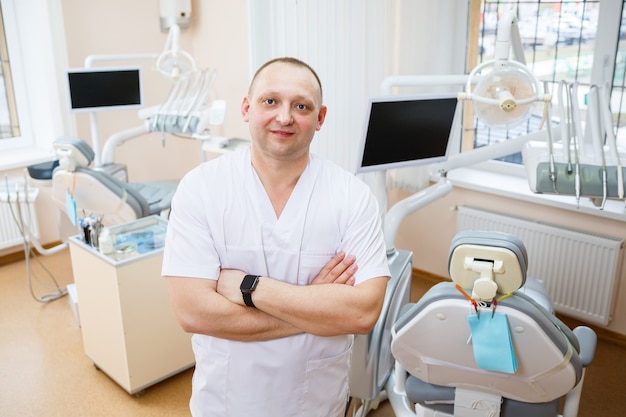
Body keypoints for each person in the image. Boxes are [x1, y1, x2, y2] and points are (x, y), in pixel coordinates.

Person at [162, 57, 390, 417]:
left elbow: (362, 313)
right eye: (271, 101)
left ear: (320, 118)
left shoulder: (351, 196)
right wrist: (316, 307)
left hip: (314, 400)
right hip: (226, 399)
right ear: (246, 108)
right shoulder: (201, 188)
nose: (285, 117)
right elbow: (192, 311)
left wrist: (248, 287)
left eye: (301, 106)